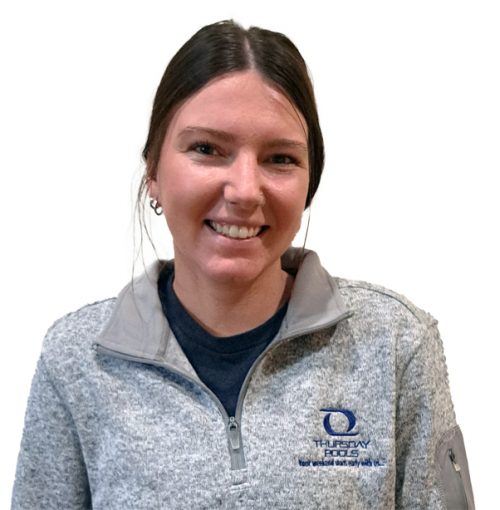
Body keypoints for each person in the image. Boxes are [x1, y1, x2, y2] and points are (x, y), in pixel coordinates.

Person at [12, 20, 474, 510]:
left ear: (309, 184)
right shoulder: (76, 360)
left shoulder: (396, 345)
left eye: (279, 158)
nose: (245, 190)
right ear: (153, 172)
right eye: (207, 149)